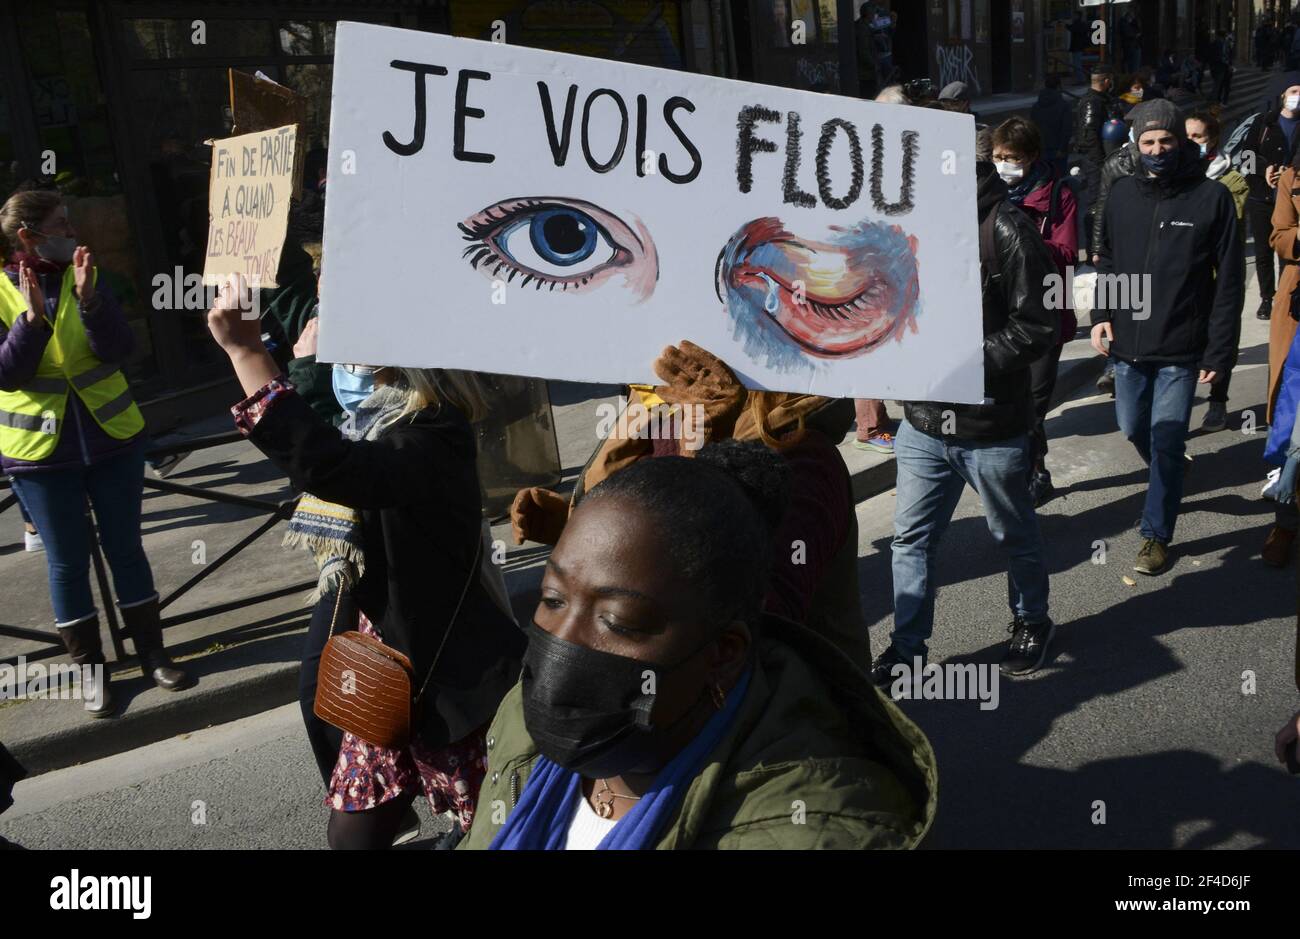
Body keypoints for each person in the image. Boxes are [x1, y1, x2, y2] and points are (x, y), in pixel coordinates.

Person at [458, 440, 937, 850]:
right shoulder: (522, 720)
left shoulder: (809, 826)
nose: (562, 640)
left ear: (723, 653)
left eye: (617, 621)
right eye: (552, 598)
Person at [205, 274, 526, 849]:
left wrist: (248, 353)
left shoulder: (433, 429)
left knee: (493, 832)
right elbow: (332, 450)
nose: (333, 321)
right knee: (351, 838)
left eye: (351, 305)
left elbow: (336, 468)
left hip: (451, 685)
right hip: (382, 679)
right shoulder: (380, 415)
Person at [512, 342, 870, 669]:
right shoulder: (664, 421)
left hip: (780, 721)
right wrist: (579, 528)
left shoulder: (801, 459)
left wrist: (703, 451)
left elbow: (764, 623)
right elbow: (656, 536)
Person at [871, 124, 1058, 685]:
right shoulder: (909, 225)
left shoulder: (1007, 228)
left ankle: (1032, 622)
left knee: (1014, 534)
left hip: (991, 427)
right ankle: (908, 647)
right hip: (924, 426)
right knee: (911, 540)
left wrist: (967, 363)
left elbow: (1038, 325)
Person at [0, 189, 188, 719]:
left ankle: (154, 655)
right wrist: (30, 324)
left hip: (112, 440)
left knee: (126, 549)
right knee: (66, 563)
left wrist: (89, 302)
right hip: (39, 454)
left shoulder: (89, 275)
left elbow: (120, 350)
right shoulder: (0, 291)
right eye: (62, 224)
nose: (73, 232)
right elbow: (7, 374)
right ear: (28, 236)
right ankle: (92, 674)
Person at [1091, 99, 1243, 575]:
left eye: (1167, 140)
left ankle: (1155, 535)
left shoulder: (1211, 198)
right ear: (1136, 145)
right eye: (1148, 141)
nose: (1157, 149)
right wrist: (1102, 315)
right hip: (1129, 346)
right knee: (1134, 428)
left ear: (1181, 142)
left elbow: (1230, 282)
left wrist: (1220, 350)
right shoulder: (1120, 194)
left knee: (1165, 434)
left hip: (1182, 346)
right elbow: (1109, 261)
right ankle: (1171, 463)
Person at [993, 117, 1079, 507]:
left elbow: (1066, 254)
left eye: (1011, 157)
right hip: (1000, 315)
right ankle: (1026, 469)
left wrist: (1022, 237)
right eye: (997, 156)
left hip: (1046, 312)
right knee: (1013, 404)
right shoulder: (989, 194)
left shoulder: (1058, 194)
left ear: (1030, 157)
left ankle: (1035, 473)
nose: (1003, 164)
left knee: (1035, 404)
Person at [1186, 107, 1249, 432]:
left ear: (1212, 140)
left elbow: (1228, 230)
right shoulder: (1176, 178)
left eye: (1197, 136)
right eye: (1187, 136)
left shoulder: (1231, 181)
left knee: (1222, 338)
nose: (1191, 142)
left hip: (1217, 277)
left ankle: (1218, 399)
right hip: (1184, 279)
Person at [1260, 133, 1300, 568]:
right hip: (1298, 303)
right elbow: (1279, 236)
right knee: (1294, 419)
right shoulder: (1292, 176)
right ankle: (1286, 521)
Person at [1239, 72, 1300, 322]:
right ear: (1283, 95)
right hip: (1262, 197)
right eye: (1294, 91)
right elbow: (1245, 156)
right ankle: (1267, 297)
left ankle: (1288, 295)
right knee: (1263, 250)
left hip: (1293, 198)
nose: (1298, 97)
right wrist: (1264, 168)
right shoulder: (1264, 122)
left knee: (1288, 249)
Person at [1074, 65, 1120, 253]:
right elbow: (1088, 134)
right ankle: (1094, 247)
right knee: (1096, 203)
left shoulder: (1102, 100)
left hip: (1106, 158)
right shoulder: (1092, 102)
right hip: (1097, 162)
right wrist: (1101, 163)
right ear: (1106, 81)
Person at [1030, 75, 1074, 179]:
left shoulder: (1036, 106)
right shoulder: (1064, 105)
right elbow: (1066, 129)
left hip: (1041, 149)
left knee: (1042, 179)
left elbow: (1032, 128)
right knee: (1059, 180)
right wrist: (1062, 148)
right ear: (1059, 86)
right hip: (1057, 149)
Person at [1119, 9, 1143, 75]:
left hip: (1134, 46)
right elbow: (1127, 34)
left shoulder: (1133, 22)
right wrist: (1135, 35)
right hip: (1129, 47)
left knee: (1135, 65)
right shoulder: (1123, 22)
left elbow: (1138, 31)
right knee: (1131, 65)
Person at [1069, 11, 1090, 84]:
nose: (1073, 17)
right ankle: (1081, 79)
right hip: (1079, 46)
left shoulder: (1077, 24)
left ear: (1077, 16)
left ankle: (1081, 79)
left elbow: (1073, 29)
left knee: (1077, 64)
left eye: (1074, 15)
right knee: (1077, 63)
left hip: (1077, 46)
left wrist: (1066, 25)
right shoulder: (1082, 24)